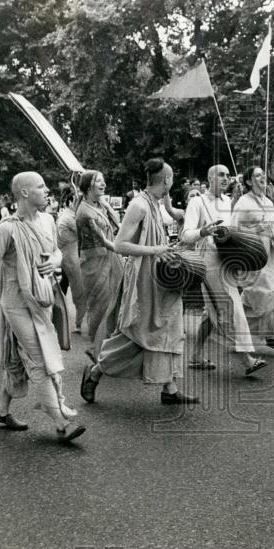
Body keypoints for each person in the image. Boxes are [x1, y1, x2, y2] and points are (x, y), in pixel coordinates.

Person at [0, 172, 85, 442]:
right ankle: (60, 423)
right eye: (41, 187)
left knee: (17, 357)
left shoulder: (47, 220)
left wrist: (56, 261)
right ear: (24, 193)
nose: (47, 191)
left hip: (42, 299)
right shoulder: (7, 228)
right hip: (16, 304)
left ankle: (2, 410)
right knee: (41, 359)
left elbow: (56, 250)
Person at [80, 158, 198, 405]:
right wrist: (156, 250)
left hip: (162, 280)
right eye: (172, 177)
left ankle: (170, 389)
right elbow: (121, 245)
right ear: (166, 180)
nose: (173, 181)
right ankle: (95, 372)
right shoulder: (139, 205)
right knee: (138, 336)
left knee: (170, 330)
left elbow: (167, 236)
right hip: (145, 280)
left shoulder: (155, 203)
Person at [180, 164, 266, 375]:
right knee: (230, 307)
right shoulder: (197, 202)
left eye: (228, 175)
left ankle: (196, 356)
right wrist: (203, 231)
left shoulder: (228, 202)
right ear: (210, 178)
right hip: (208, 262)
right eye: (220, 175)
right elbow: (185, 234)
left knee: (212, 311)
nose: (225, 178)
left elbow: (234, 234)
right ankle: (247, 360)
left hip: (227, 261)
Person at [232, 165, 274, 353]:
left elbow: (273, 226)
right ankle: (267, 335)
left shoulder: (267, 200)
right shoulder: (243, 203)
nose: (262, 178)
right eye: (258, 175)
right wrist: (253, 231)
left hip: (270, 254)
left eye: (263, 175)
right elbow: (233, 231)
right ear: (249, 181)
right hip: (253, 256)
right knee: (260, 294)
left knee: (270, 293)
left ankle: (240, 333)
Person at [75, 170, 123, 350]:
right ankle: (96, 346)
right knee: (99, 304)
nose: (103, 184)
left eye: (103, 181)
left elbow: (118, 224)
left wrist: (107, 206)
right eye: (99, 182)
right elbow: (103, 240)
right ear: (88, 186)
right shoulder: (85, 212)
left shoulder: (100, 205)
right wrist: (125, 249)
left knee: (116, 298)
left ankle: (109, 341)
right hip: (95, 261)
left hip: (111, 257)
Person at [56, 187, 86, 331]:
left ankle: (57, 317)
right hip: (70, 258)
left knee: (64, 287)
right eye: (79, 200)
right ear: (71, 201)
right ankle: (79, 323)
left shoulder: (67, 215)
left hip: (67, 257)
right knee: (78, 290)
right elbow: (86, 232)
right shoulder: (69, 217)